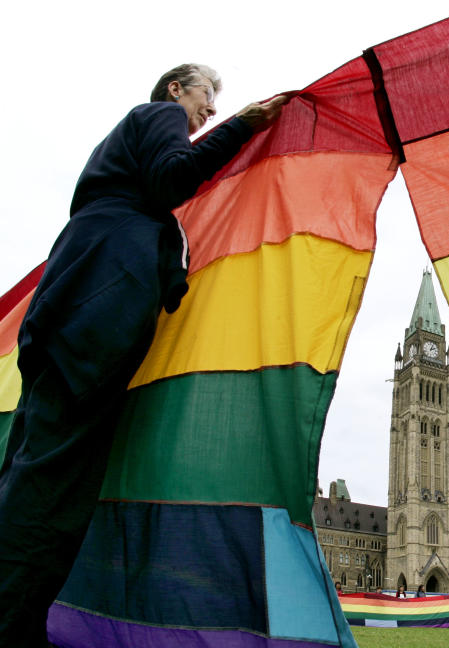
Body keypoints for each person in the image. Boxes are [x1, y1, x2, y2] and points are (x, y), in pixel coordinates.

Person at [0, 63, 286, 646]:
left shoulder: (119, 183)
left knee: (48, 475)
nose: (211, 109)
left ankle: (21, 622)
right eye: (209, 95)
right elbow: (173, 178)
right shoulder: (157, 116)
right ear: (177, 89)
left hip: (79, 309)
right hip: (93, 314)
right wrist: (244, 127)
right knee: (49, 480)